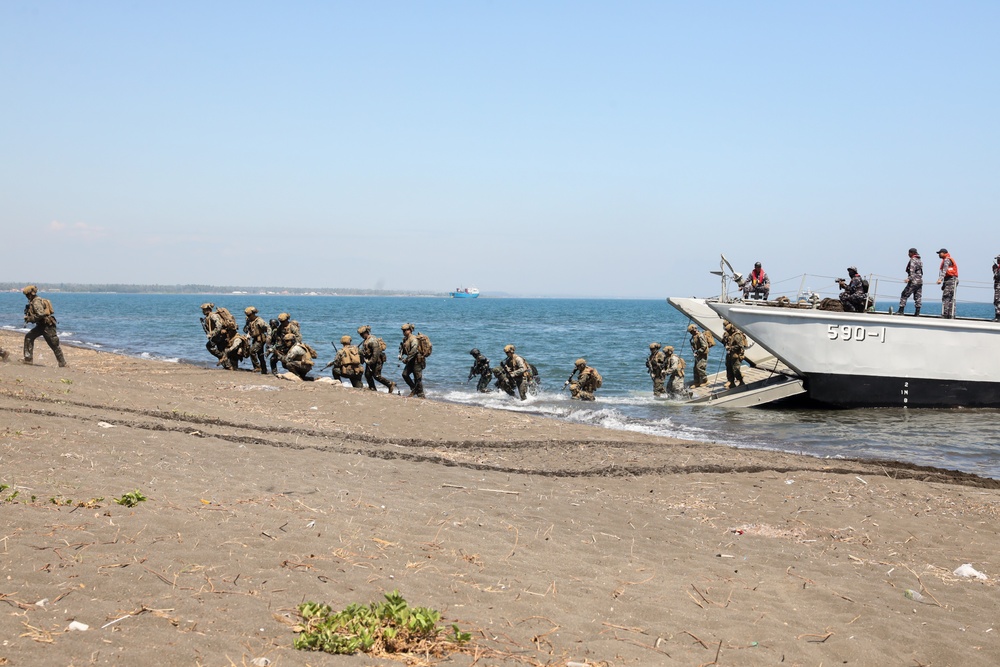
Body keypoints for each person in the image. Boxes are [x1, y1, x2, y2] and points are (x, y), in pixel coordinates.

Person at [22, 285, 67, 367]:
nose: (26, 297)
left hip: (47, 326)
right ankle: (28, 359)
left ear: (30, 294)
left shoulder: (36, 302)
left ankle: (62, 363)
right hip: (41, 326)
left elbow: (41, 314)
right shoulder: (33, 301)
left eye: (27, 295)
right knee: (29, 337)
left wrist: (30, 319)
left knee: (54, 344)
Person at [359, 326, 396, 393]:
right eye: (360, 334)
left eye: (362, 334)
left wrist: (370, 362)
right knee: (367, 374)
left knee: (376, 375)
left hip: (377, 360)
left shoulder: (372, 341)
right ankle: (372, 388)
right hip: (370, 359)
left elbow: (376, 353)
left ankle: (390, 384)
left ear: (366, 332)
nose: (361, 336)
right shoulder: (366, 340)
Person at [399, 323, 425, 398]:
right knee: (405, 374)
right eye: (403, 330)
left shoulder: (413, 339)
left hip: (417, 361)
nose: (403, 332)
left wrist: (407, 359)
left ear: (410, 330)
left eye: (405, 330)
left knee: (417, 378)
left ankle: (421, 395)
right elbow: (406, 349)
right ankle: (414, 389)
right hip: (411, 360)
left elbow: (414, 350)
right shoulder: (405, 339)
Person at [200, 302, 230, 368]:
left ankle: (223, 357)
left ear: (208, 309)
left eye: (204, 310)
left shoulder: (213, 315)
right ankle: (227, 366)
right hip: (218, 335)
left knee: (209, 345)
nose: (203, 311)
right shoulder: (207, 317)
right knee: (220, 350)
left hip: (219, 336)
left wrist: (212, 333)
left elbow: (219, 325)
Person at [243, 307, 270, 374]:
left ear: (253, 314)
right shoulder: (249, 321)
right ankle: (264, 370)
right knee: (260, 355)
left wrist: (269, 337)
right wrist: (247, 325)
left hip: (260, 339)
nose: (248, 317)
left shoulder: (259, 321)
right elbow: (245, 330)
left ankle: (257, 367)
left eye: (249, 315)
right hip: (255, 339)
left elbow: (268, 328)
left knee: (252, 351)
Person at [897, 248, 923, 316]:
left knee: (904, 294)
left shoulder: (913, 260)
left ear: (911, 253)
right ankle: (917, 313)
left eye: (909, 253)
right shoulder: (919, 260)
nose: (908, 254)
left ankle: (901, 310)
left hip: (913, 281)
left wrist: (909, 278)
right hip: (919, 281)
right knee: (918, 297)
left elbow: (912, 271)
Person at [936, 248, 959, 319]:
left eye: (940, 253)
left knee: (946, 297)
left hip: (950, 280)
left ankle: (945, 314)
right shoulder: (948, 259)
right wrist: (943, 284)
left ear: (943, 253)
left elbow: (945, 271)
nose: (939, 254)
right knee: (951, 298)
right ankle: (951, 314)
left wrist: (940, 279)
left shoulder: (946, 260)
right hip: (951, 280)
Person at [723, 321, 746, 388]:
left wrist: (731, 348)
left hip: (736, 355)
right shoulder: (728, 335)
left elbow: (740, 345)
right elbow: (725, 342)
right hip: (730, 354)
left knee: (736, 369)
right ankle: (731, 382)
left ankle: (741, 381)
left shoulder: (736, 335)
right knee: (729, 368)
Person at [993, 255, 1000, 321]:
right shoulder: (997, 267)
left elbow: (998, 276)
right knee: (996, 301)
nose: (997, 261)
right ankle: (997, 316)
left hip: (999, 287)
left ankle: (998, 317)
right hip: (997, 286)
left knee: (998, 301)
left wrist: (996, 270)